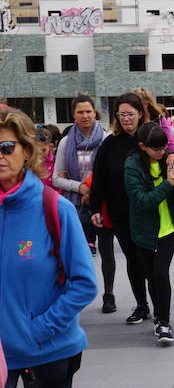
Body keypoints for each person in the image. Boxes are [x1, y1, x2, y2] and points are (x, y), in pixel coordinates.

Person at [0, 106, 97, 388]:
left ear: (26, 151)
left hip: (49, 345)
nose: (0, 155)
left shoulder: (53, 207)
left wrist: (39, 328)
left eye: (6, 146)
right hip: (1, 352)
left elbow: (83, 283)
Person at [90, 93, 152, 324]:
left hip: (148, 211)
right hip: (121, 212)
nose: (126, 119)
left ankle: (160, 309)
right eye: (122, 114)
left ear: (140, 114)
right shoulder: (110, 143)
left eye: (130, 114)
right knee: (133, 260)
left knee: (151, 262)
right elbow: (100, 178)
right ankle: (142, 305)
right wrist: (95, 206)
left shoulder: (150, 138)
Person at [53, 95, 115, 313]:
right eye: (80, 112)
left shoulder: (107, 139)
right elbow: (56, 179)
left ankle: (109, 294)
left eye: (88, 111)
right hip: (75, 205)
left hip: (102, 203)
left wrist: (95, 191)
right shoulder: (65, 142)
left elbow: (112, 173)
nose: (85, 115)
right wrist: (80, 187)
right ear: (74, 115)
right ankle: (76, 297)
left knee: (107, 251)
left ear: (95, 112)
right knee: (76, 253)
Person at [123, 123, 174, 344]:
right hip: (145, 231)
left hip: (168, 228)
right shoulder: (132, 166)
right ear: (142, 146)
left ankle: (165, 323)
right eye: (156, 149)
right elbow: (142, 201)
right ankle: (158, 317)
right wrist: (168, 184)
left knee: (161, 274)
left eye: (164, 148)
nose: (161, 152)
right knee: (151, 276)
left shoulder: (166, 158)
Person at [132, 88, 174, 152]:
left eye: (136, 105)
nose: (134, 108)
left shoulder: (159, 117)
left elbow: (169, 141)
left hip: (159, 156)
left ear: (146, 104)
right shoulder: (131, 120)